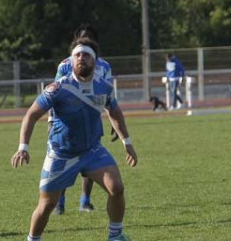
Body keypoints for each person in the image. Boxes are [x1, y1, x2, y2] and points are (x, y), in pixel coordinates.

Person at [11, 37, 138, 241]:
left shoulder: (104, 87)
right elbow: (31, 115)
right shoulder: (58, 88)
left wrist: (127, 143)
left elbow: (114, 112)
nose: (81, 58)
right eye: (77, 55)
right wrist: (23, 146)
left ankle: (116, 236)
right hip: (61, 154)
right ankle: (33, 239)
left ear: (94, 62)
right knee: (46, 206)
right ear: (71, 61)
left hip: (92, 151)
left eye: (86, 55)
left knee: (117, 188)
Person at [51, 24, 114, 215]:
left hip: (91, 122)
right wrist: (50, 122)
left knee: (90, 163)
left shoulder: (104, 67)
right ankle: (59, 203)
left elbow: (109, 96)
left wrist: (112, 121)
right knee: (64, 164)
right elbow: (54, 94)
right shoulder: (64, 65)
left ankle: (85, 201)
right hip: (67, 124)